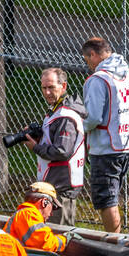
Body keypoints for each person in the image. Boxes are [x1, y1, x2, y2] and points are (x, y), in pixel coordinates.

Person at [81, 36, 129, 234]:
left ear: (93, 54)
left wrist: (75, 124)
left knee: (107, 200)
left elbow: (93, 118)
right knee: (113, 197)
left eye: (86, 59)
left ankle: (114, 244)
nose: (88, 64)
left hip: (106, 148)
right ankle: (116, 239)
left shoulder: (99, 79)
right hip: (128, 145)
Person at [25, 67, 86, 229]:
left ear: (63, 86)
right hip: (54, 183)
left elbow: (62, 151)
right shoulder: (55, 111)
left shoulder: (66, 115)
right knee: (49, 234)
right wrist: (39, 138)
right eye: (44, 88)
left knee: (60, 236)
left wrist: (36, 147)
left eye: (51, 87)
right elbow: (54, 143)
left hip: (62, 185)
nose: (47, 92)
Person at [8, 182, 72, 254]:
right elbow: (44, 243)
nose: (51, 213)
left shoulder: (25, 214)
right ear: (44, 202)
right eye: (52, 207)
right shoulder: (29, 214)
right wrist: (64, 239)